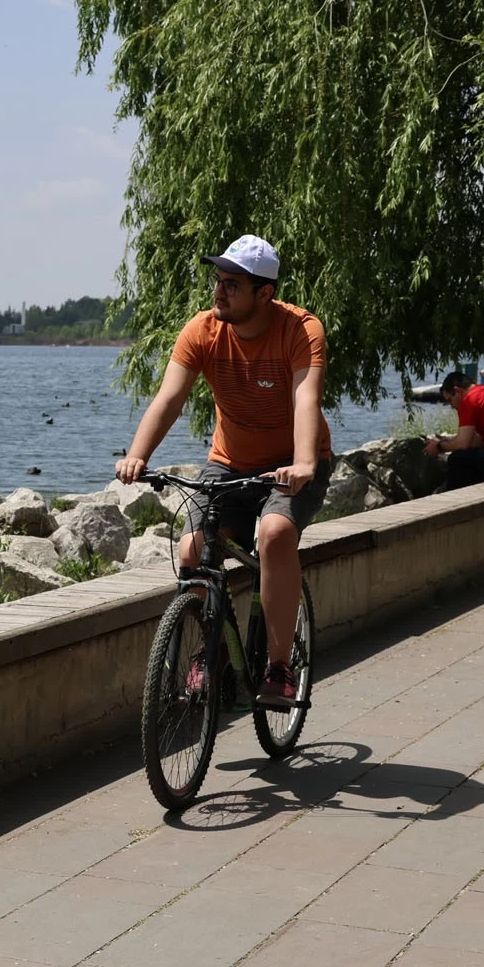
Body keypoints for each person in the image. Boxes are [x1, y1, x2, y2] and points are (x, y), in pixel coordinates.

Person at [117, 233, 333, 705]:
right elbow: (169, 399)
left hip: (295, 463)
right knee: (193, 548)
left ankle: (278, 668)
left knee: (275, 533)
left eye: (232, 284)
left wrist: (301, 464)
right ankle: (207, 657)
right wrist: (138, 455)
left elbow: (305, 399)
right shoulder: (202, 330)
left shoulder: (300, 330)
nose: (219, 290)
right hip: (229, 463)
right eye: (217, 280)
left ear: (264, 293)